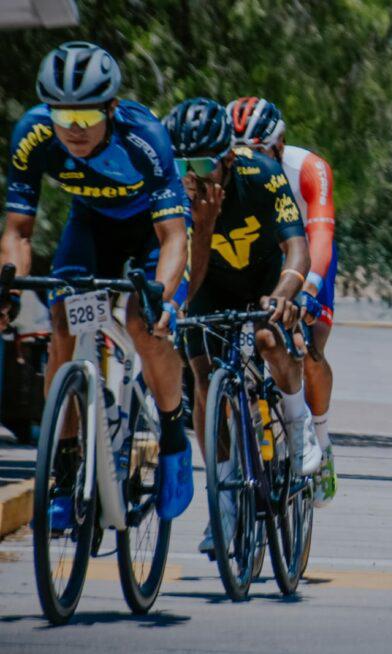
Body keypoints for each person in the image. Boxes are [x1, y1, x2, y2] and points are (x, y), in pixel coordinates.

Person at [0, 42, 194, 525]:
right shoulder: (33, 134)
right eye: (63, 115)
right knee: (63, 323)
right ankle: (66, 473)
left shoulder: (146, 136)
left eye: (86, 117)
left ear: (111, 107)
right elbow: (17, 233)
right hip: (90, 226)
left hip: (151, 230)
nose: (74, 130)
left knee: (143, 324)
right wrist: (10, 289)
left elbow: (174, 238)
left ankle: (172, 436)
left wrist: (163, 299)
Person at [164, 98, 322, 553]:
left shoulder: (261, 174)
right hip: (207, 282)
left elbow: (297, 248)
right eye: (182, 163)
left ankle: (297, 423)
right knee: (201, 372)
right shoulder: (175, 189)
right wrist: (204, 222)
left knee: (270, 337)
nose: (191, 174)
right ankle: (225, 493)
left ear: (228, 158)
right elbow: (186, 279)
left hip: (262, 276)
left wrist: (285, 293)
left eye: (202, 164)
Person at [226, 96, 337, 507]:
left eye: (255, 152)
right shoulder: (223, 175)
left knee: (310, 348)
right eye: (235, 153)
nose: (244, 162)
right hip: (256, 249)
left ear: (279, 144)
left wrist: (309, 290)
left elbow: (321, 234)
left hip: (306, 246)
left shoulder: (307, 167)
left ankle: (319, 442)